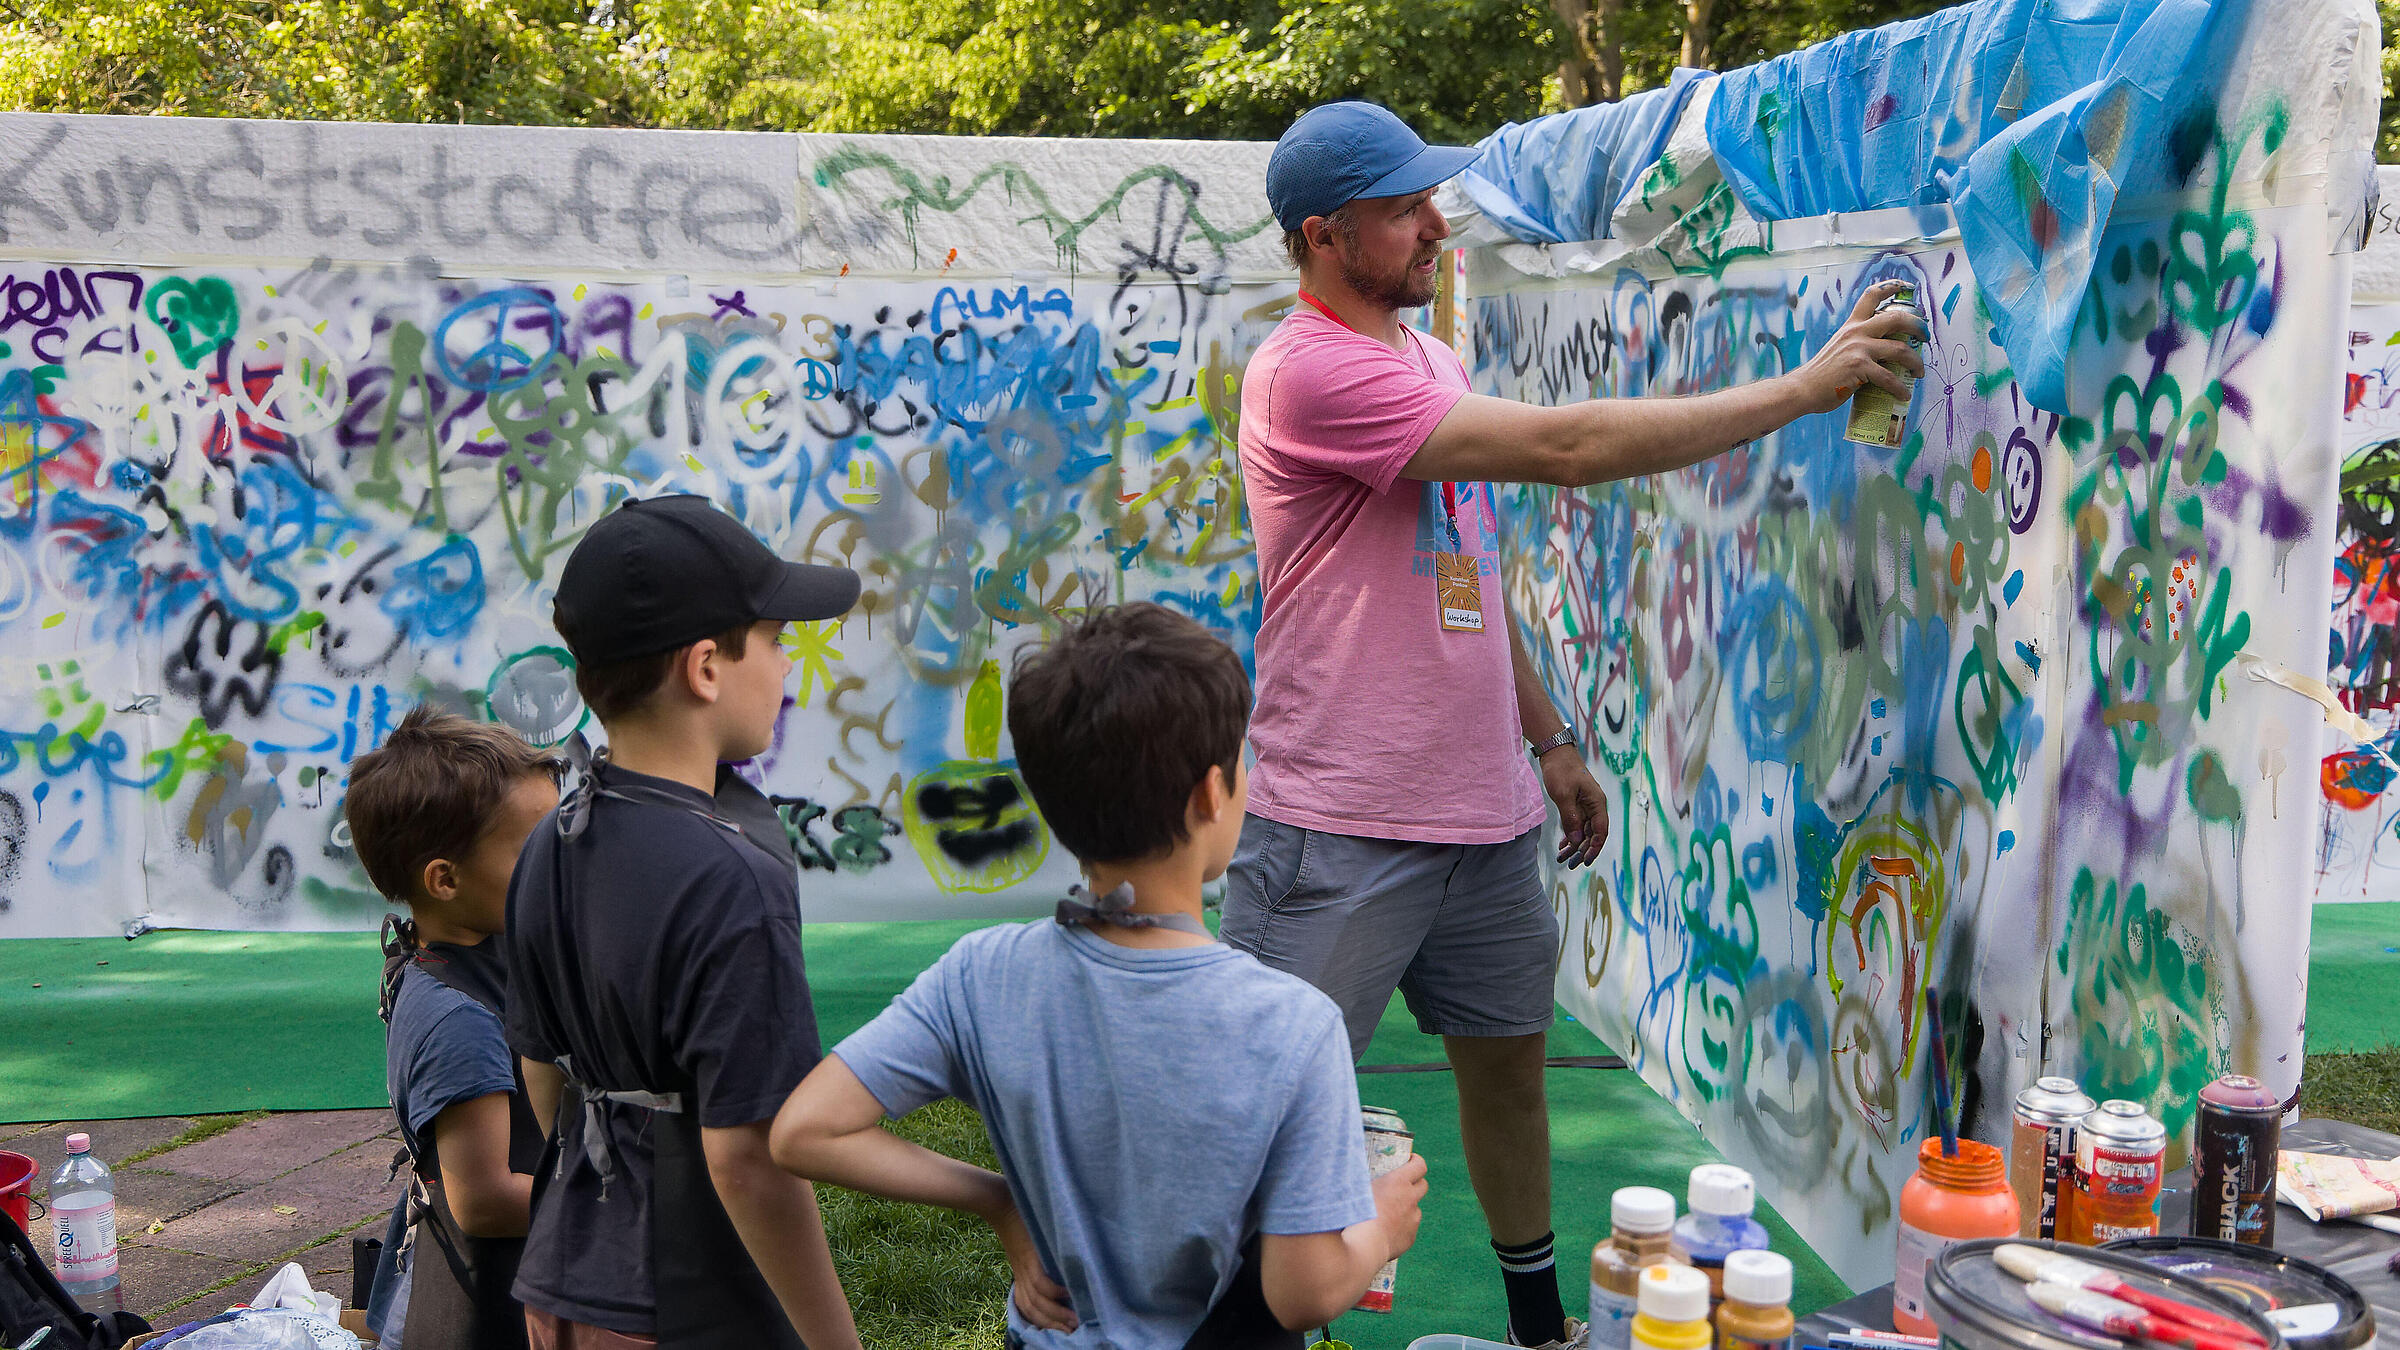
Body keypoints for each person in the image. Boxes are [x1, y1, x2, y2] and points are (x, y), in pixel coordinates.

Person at [1227, 101, 1926, 1349]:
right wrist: (1806, 387)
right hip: (1337, 820)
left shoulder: (1422, 360)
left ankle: (1541, 1329)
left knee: (1507, 1074)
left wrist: (1545, 741)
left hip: (1480, 813)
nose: (1436, 223)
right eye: (1403, 210)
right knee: (1263, 1102)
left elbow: (1467, 577)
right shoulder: (1306, 369)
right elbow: (1565, 445)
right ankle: (1238, 1325)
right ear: (1326, 238)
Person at [768, 602, 1428, 1349]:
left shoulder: (980, 976)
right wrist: (1379, 1228)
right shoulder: (1294, 1025)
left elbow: (803, 1131)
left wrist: (998, 1199)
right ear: (1213, 792)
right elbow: (1303, 1290)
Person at [504, 492, 866, 1350]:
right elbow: (749, 1161)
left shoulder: (551, 838)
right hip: (687, 1300)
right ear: (705, 667)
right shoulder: (731, 878)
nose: (786, 668)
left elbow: (543, 1078)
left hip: (565, 1278)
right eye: (776, 642)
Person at [348, 707, 565, 1350]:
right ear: (444, 880)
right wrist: (622, 1205)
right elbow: (484, 1200)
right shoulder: (456, 1019)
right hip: (493, 1306)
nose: (557, 862)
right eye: (535, 848)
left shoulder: (475, 943)